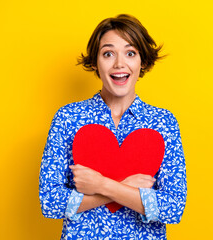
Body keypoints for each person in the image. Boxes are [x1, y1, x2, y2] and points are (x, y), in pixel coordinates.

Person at [39, 14, 187, 240]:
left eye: (130, 53)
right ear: (95, 62)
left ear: (143, 61)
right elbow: (50, 202)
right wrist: (127, 189)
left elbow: (173, 208)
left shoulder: (163, 123)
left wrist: (101, 185)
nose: (119, 64)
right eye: (108, 53)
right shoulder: (68, 118)